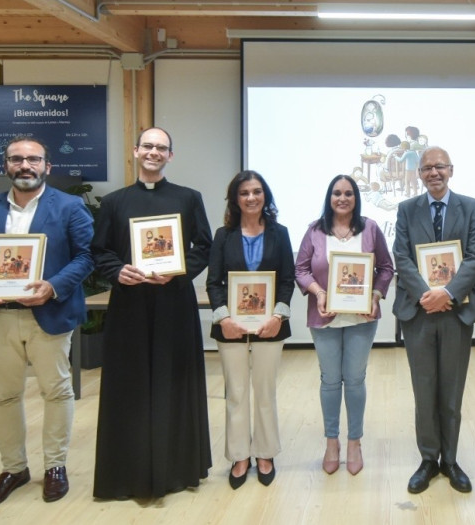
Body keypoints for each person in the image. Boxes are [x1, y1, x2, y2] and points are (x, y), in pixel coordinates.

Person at [0, 136, 94, 510]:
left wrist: (53, 286)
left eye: (33, 159)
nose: (25, 166)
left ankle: (55, 466)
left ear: (48, 166)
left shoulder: (69, 206)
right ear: (6, 166)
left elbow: (85, 257)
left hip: (47, 315)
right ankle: (13, 469)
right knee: (3, 395)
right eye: (16, 159)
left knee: (57, 391)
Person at [90, 127, 214, 499]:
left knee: (175, 382)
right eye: (148, 146)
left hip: (174, 303)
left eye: (161, 148)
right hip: (129, 306)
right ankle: (127, 473)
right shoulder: (114, 203)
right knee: (129, 386)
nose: (154, 152)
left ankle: (177, 469)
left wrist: (179, 269)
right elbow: (99, 252)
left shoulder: (189, 198)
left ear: (170, 156)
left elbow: (204, 246)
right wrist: (117, 271)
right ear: (135, 151)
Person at [392, 146, 475, 494]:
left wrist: (446, 293)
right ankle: (428, 459)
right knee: (424, 388)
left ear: (451, 170)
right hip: (418, 313)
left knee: (452, 389)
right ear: (419, 174)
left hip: (456, 312)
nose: (434, 172)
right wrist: (425, 295)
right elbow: (401, 256)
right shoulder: (405, 210)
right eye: (427, 168)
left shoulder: (472, 207)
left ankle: (451, 459)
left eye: (440, 167)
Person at [294, 174, 394, 476]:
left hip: (361, 319)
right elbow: (300, 269)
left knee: (354, 380)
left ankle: (354, 442)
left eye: (348, 193)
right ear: (329, 197)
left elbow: (386, 267)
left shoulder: (370, 228)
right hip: (324, 317)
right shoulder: (314, 230)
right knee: (329, 381)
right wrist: (319, 292)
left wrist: (376, 295)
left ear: (356, 197)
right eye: (337, 193)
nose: (342, 198)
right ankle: (331, 442)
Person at [207, 170, 295, 489]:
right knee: (237, 393)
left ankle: (265, 453)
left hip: (271, 326)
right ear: (235, 199)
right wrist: (223, 318)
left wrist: (278, 315)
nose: (251, 198)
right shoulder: (222, 235)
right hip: (231, 328)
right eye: (244, 193)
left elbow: (287, 280)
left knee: (265, 392)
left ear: (265, 196)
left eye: (257, 191)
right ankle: (239, 455)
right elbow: (213, 282)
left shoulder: (280, 233)